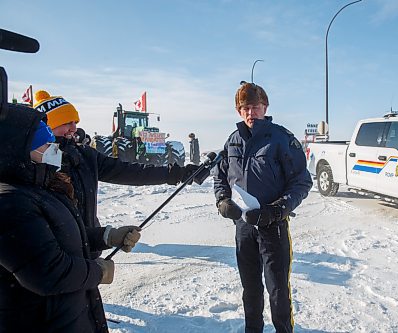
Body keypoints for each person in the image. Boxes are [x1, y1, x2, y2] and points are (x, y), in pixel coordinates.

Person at [0, 106, 140, 332]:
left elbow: (61, 235)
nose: (54, 149)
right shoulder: (9, 201)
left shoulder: (41, 186)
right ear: (18, 149)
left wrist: (107, 236)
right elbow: (49, 273)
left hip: (70, 316)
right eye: (46, 144)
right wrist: (98, 271)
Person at [33, 90, 199, 258]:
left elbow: (129, 171)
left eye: (75, 122)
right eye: (66, 122)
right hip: (53, 254)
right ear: (47, 126)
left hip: (88, 247)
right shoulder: (35, 163)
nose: (74, 128)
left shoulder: (84, 156)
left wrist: (176, 173)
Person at [213, 82, 312, 333]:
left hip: (273, 227)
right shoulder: (233, 141)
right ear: (238, 111)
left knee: (278, 291)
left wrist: (277, 210)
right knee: (251, 290)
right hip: (244, 228)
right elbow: (220, 177)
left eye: (255, 107)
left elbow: (301, 181)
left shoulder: (281, 138)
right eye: (244, 108)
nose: (250, 113)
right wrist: (223, 201)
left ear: (265, 107)